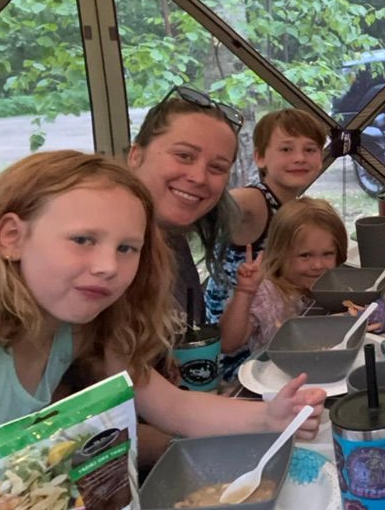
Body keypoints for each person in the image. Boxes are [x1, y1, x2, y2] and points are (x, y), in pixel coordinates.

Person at [0, 150, 325, 441]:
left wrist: (270, 415)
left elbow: (173, 407)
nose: (108, 266)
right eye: (83, 240)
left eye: (127, 248)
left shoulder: (79, 329)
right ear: (11, 237)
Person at [128, 85, 242, 323]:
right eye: (184, 155)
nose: (199, 177)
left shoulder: (172, 242)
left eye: (217, 167)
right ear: (136, 156)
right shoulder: (100, 258)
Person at [205, 108, 326, 324]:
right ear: (260, 158)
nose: (299, 158)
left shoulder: (293, 205)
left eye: (310, 149)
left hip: (273, 322)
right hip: (234, 338)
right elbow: (231, 202)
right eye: (286, 149)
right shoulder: (256, 200)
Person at [220, 197, 346, 354]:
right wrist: (245, 291)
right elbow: (228, 343)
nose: (318, 266)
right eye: (305, 255)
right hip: (277, 375)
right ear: (280, 253)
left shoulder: (334, 285)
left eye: (327, 254)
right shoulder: (265, 294)